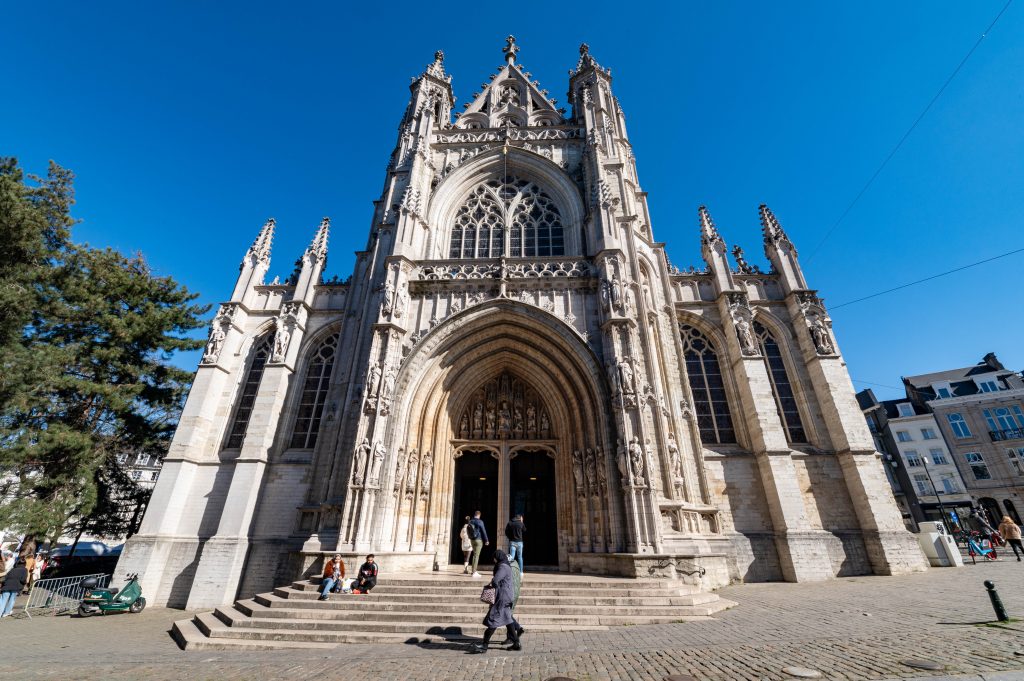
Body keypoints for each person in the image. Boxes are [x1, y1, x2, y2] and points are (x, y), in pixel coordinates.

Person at [469, 550, 521, 653]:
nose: (493, 560)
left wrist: (492, 585)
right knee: (508, 620)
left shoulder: (502, 567)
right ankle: (516, 643)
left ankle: (484, 646)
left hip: (502, 597)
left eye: (494, 558)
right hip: (507, 596)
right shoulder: (506, 565)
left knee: (493, 620)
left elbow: (496, 580)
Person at [468, 511, 489, 577]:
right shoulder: (480, 521)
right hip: (478, 540)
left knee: (474, 555)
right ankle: (474, 572)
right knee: (476, 556)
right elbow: (483, 531)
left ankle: (473, 571)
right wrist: (486, 540)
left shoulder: (470, 521)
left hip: (472, 540)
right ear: (479, 515)